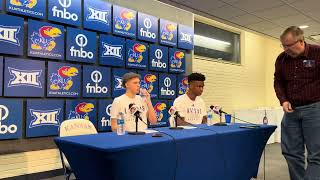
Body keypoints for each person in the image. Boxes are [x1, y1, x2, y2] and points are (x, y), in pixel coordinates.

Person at [274, 26, 320, 180]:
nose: (285, 49)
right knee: (291, 152)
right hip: (292, 111)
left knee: (316, 154)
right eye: (283, 45)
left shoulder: (317, 53)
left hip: (315, 109)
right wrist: (284, 100)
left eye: (289, 45)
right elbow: (278, 82)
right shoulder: (281, 59)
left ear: (301, 41)